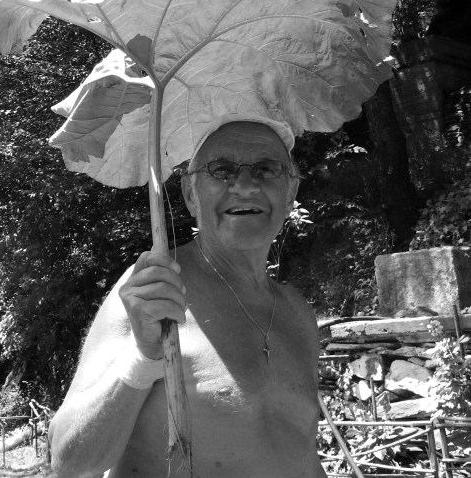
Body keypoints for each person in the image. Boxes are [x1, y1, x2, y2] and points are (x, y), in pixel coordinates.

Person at [49, 115, 325, 477]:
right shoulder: (153, 293)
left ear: (290, 193)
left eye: (266, 169)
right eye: (222, 170)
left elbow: (300, 454)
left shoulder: (297, 313)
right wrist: (142, 356)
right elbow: (70, 462)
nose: (245, 186)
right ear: (190, 194)